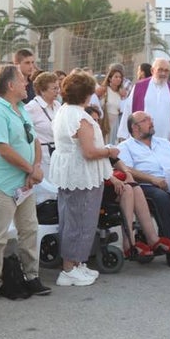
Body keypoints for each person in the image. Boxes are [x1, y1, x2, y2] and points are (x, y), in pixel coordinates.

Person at [0, 64, 49, 301]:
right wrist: (30, 169)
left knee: (29, 229)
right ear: (10, 85)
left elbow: (35, 141)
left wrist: (35, 168)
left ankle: (31, 276)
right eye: (22, 80)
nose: (26, 84)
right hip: (3, 182)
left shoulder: (21, 108)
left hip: (25, 183)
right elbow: (2, 148)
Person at [49, 72, 121, 287]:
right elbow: (89, 151)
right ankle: (69, 268)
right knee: (80, 221)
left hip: (70, 172)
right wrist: (110, 151)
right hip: (81, 174)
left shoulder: (63, 111)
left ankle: (76, 263)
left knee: (74, 218)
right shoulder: (81, 117)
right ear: (87, 94)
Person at [118, 110, 170, 267]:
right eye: (146, 120)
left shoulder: (164, 143)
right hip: (147, 186)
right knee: (162, 198)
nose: (151, 122)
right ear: (135, 127)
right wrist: (153, 179)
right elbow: (128, 171)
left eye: (150, 119)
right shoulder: (125, 147)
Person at [118, 58, 170, 165]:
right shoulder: (139, 87)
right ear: (152, 71)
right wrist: (123, 135)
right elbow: (128, 111)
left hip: (166, 141)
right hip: (141, 140)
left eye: (166, 71)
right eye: (160, 70)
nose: (163, 73)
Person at [25, 72, 60, 174]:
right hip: (41, 158)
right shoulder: (31, 107)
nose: (58, 91)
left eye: (58, 88)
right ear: (42, 91)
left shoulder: (58, 105)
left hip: (57, 154)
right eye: (54, 88)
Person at [100, 66, 129, 144]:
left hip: (115, 121)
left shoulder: (121, 93)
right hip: (105, 120)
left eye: (120, 77)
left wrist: (123, 97)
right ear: (110, 78)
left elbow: (123, 108)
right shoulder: (104, 90)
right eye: (116, 77)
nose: (118, 79)